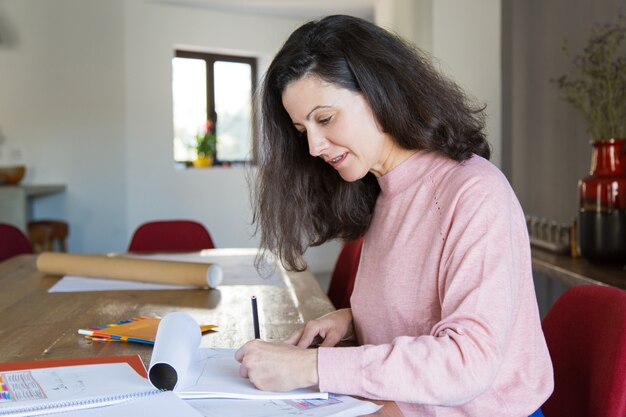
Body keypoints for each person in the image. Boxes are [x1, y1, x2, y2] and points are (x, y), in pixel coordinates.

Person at [235, 14, 553, 417]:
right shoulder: (383, 191)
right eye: (302, 130)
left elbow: (466, 361)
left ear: (380, 91)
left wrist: (312, 366)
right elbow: (429, 302)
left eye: (325, 118)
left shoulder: (475, 192)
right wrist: (355, 319)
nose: (314, 146)